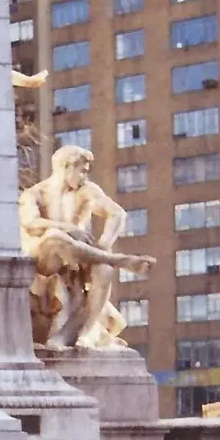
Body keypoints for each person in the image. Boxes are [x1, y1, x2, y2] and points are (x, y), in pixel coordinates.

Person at [18, 144, 155, 350]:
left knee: (104, 269)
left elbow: (117, 214)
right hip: (43, 260)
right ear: (66, 167)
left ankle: (82, 331)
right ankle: (121, 261)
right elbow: (31, 223)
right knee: (54, 236)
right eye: (81, 171)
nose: (84, 176)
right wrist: (69, 228)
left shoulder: (86, 190)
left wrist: (103, 245)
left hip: (76, 260)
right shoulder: (34, 194)